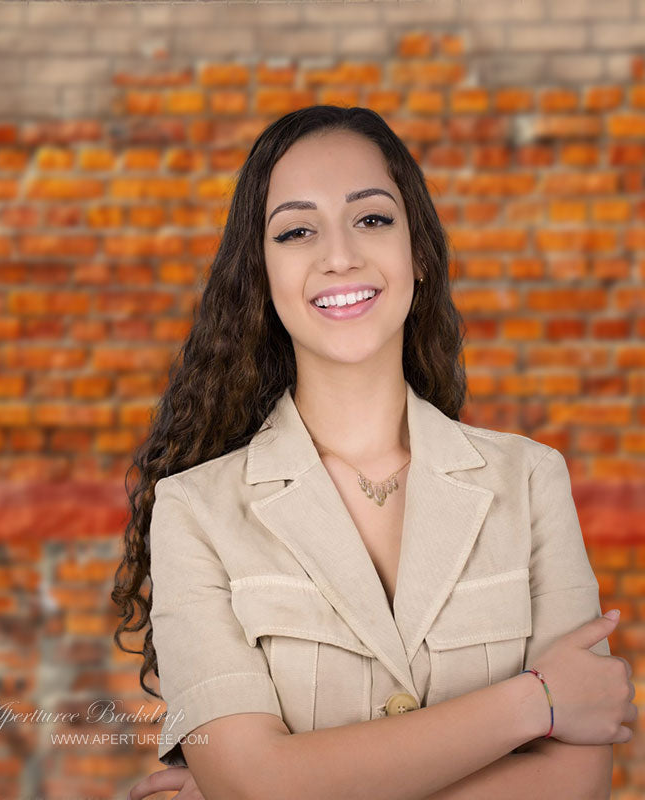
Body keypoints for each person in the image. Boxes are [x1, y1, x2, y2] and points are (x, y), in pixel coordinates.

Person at [113, 105, 636, 800]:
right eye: (297, 231)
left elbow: (577, 784)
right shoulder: (194, 512)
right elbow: (255, 785)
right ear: (261, 276)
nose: (339, 255)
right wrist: (535, 703)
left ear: (416, 250)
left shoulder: (532, 481)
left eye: (372, 219)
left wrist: (282, 785)